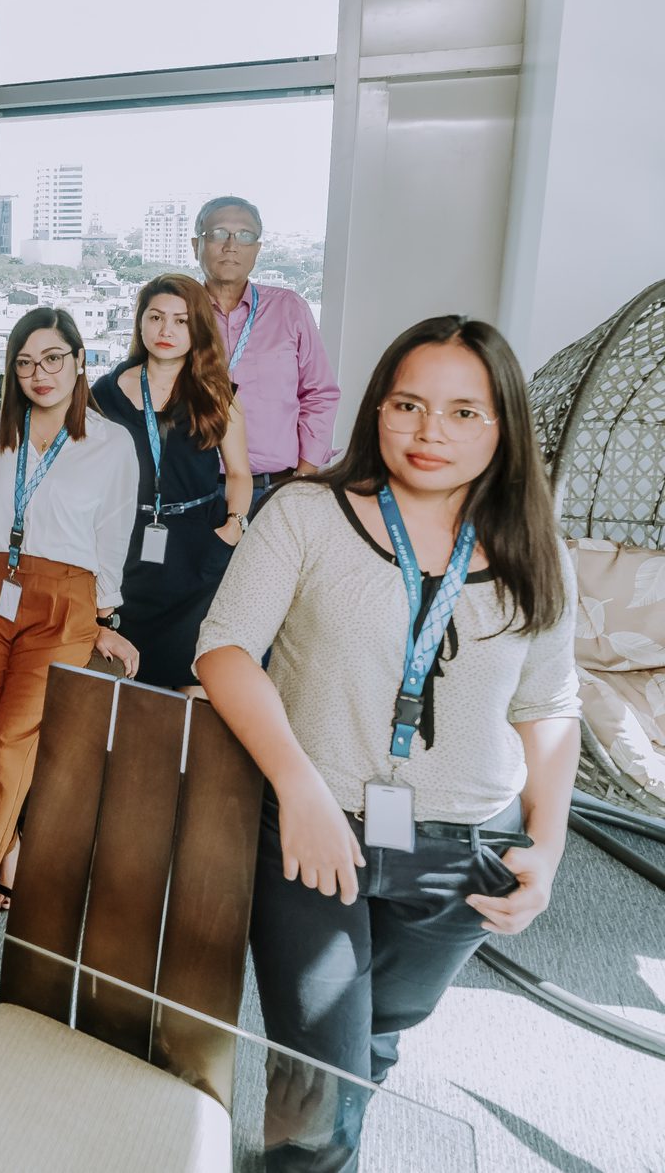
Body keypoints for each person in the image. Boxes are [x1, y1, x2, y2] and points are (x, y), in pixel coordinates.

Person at [196, 316, 579, 1169]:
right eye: (408, 404)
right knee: (321, 1062)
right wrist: (296, 787)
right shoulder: (307, 513)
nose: (429, 431)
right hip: (313, 827)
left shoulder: (537, 548)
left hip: (461, 847)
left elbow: (549, 705)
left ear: (505, 425)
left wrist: (545, 849)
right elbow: (223, 649)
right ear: (378, 408)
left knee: (375, 1040)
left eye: (463, 412)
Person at [0, 308, 139, 955]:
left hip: (64, 602)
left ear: (79, 360)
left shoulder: (110, 444)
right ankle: (8, 840)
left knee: (14, 736)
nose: (38, 373)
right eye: (24, 362)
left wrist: (101, 615)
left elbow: (113, 536)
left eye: (52, 358)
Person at [89, 275, 253, 692]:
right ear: (140, 322)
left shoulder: (216, 394)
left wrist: (233, 528)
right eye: (156, 317)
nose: (166, 331)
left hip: (198, 550)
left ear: (197, 329)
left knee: (191, 682)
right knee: (125, 679)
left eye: (181, 321)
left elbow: (238, 472)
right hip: (124, 549)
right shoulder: (103, 395)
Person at [192, 196, 340, 503]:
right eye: (218, 233)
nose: (231, 245)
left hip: (276, 488)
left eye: (245, 235)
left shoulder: (289, 309)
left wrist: (305, 474)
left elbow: (319, 393)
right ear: (197, 245)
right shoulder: (180, 312)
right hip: (198, 490)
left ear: (257, 249)